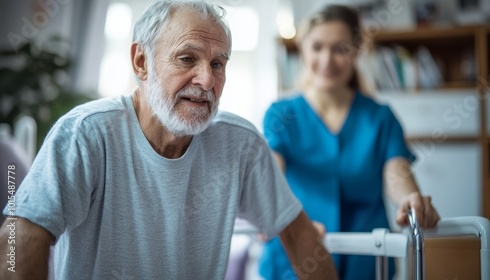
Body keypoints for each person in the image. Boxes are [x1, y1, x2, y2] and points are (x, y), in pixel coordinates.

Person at [0, 1, 338, 279]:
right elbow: (18, 238)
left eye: (218, 64)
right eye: (187, 59)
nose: (207, 80)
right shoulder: (86, 133)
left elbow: (299, 232)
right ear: (141, 61)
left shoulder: (240, 143)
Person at [258, 5, 440, 280]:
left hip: (367, 260)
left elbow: (396, 171)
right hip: (293, 259)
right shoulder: (281, 115)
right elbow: (273, 168)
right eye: (317, 47)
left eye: (340, 48)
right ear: (303, 49)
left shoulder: (380, 117)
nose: (327, 59)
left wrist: (409, 198)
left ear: (357, 51)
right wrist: (265, 203)